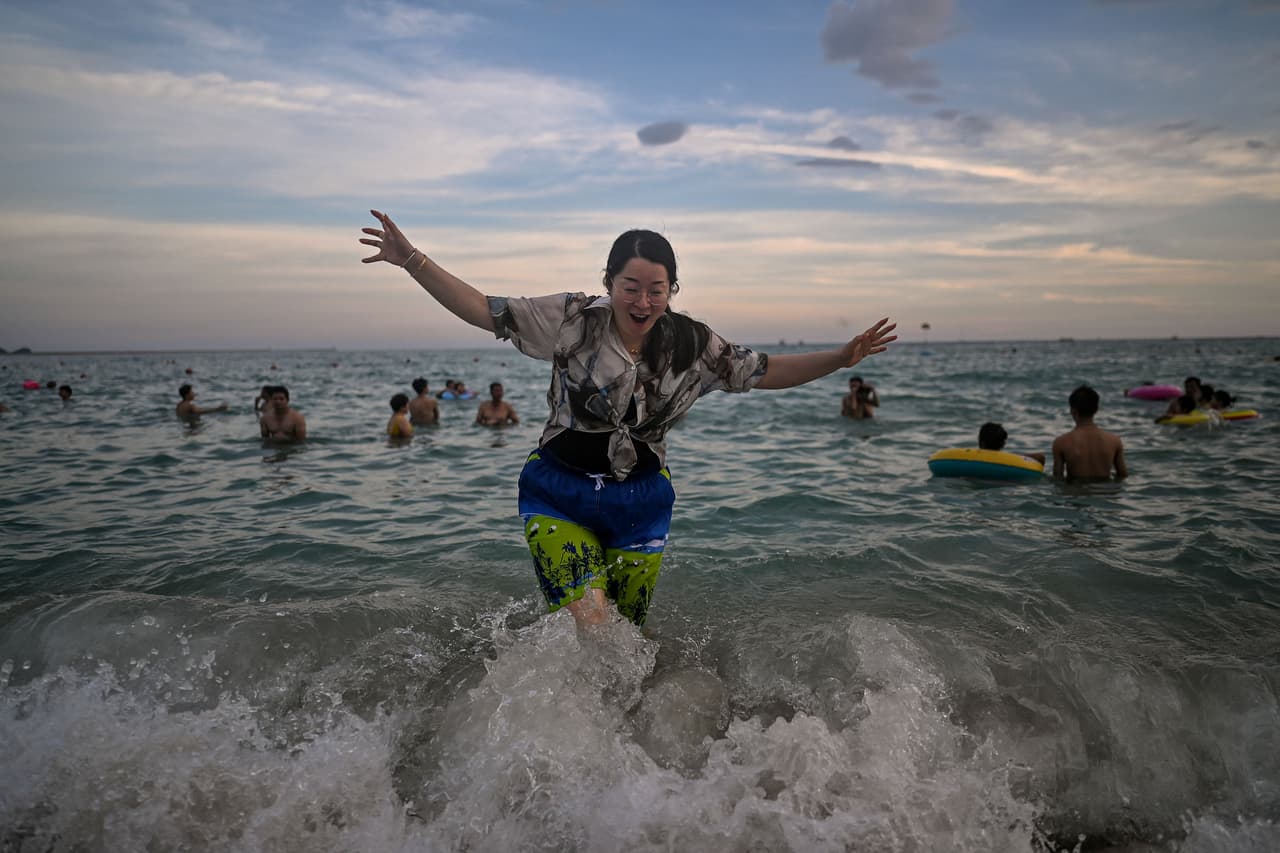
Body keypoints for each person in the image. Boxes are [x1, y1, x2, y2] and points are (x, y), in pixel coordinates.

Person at [360, 209, 896, 627]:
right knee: (594, 625)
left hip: (641, 503)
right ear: (609, 282)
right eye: (630, 287)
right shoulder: (573, 320)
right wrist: (413, 260)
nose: (642, 301)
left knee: (625, 644)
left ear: (672, 291)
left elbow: (764, 370)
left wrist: (840, 357)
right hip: (557, 492)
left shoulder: (693, 344)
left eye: (656, 290)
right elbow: (485, 310)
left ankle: (627, 750)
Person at [1052, 385, 1127, 481]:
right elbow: (1123, 476)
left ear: (1073, 411)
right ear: (1096, 410)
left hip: (1075, 493)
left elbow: (1058, 479)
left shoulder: (1061, 443)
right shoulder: (1115, 441)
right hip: (1106, 493)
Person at [978, 421, 1045, 465]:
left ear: (982, 444)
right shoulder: (1008, 461)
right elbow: (1040, 457)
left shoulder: (973, 460)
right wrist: (1018, 457)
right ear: (1003, 444)